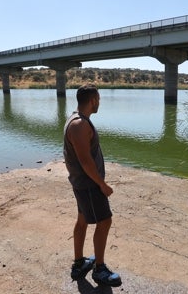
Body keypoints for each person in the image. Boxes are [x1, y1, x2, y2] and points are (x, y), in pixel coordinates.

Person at [63, 84, 122, 287]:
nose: (100, 102)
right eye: (99, 98)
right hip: (88, 185)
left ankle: (79, 263)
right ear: (93, 100)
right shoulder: (79, 124)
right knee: (104, 221)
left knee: (82, 221)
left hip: (82, 183)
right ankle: (100, 269)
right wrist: (102, 184)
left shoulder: (77, 120)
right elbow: (85, 160)